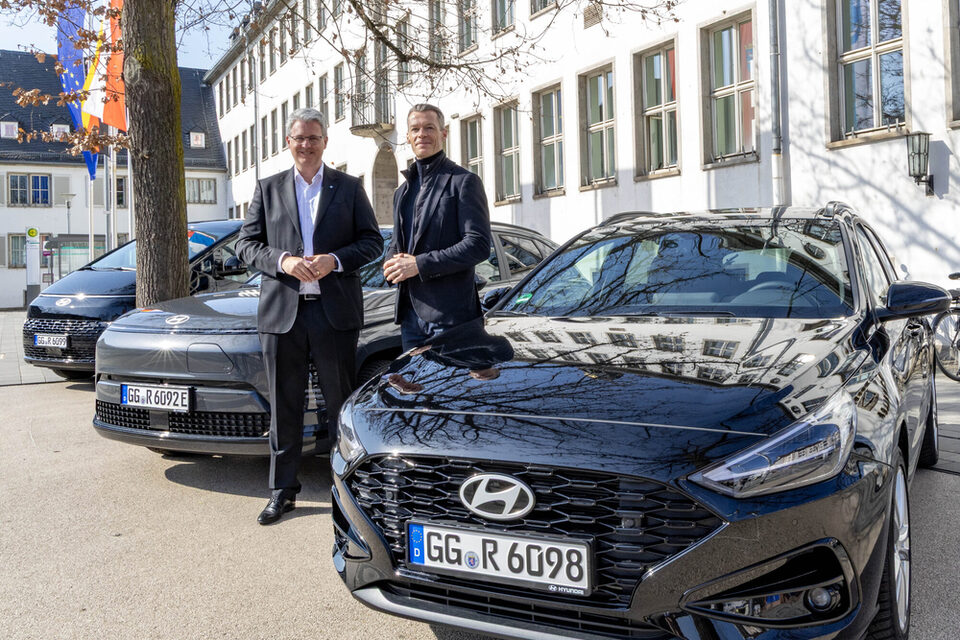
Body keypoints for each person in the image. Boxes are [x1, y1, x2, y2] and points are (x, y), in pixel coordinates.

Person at [236, 108, 382, 525]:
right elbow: (246, 245)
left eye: (313, 138)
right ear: (288, 142)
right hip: (283, 315)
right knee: (284, 407)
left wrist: (334, 260)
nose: (306, 145)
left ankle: (347, 492)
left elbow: (372, 242)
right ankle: (282, 491)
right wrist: (282, 261)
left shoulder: (348, 188)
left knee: (340, 405)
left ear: (324, 142)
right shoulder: (268, 188)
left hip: (334, 314)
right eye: (299, 138)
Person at [383, 103, 492, 350]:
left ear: (443, 133)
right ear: (408, 137)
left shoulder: (464, 181)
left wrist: (419, 265)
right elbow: (397, 244)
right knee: (413, 378)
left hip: (451, 319)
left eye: (429, 128)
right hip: (410, 318)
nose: (422, 134)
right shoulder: (402, 191)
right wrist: (391, 265)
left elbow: (478, 245)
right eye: (415, 129)